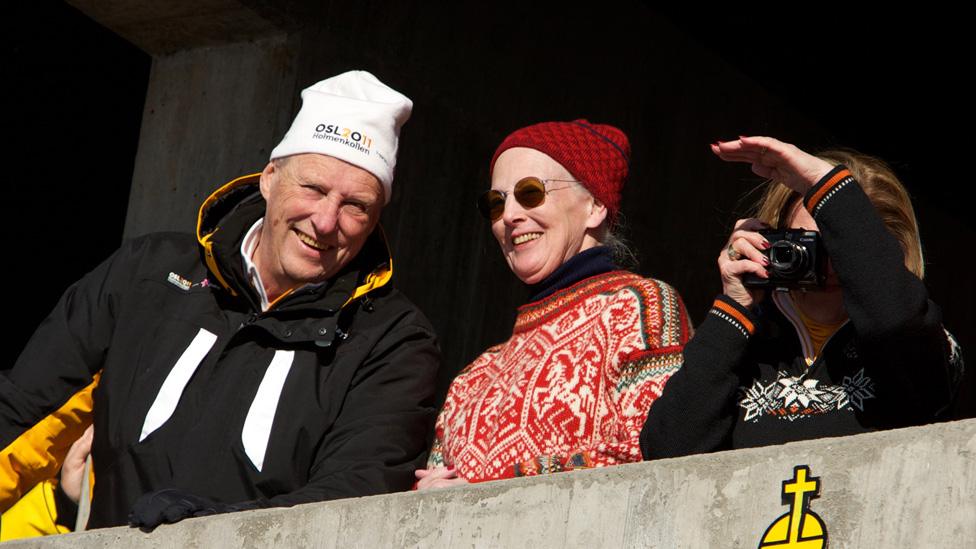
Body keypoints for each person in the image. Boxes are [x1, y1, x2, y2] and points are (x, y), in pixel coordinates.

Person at [0, 70, 440, 529]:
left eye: (357, 206)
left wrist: (208, 528)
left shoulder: (392, 340)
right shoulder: (147, 275)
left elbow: (353, 503)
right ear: (270, 178)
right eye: (313, 188)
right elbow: (23, 415)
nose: (326, 221)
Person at [641, 136, 963, 459]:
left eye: (841, 247)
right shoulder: (745, 349)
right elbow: (666, 452)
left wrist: (827, 188)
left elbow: (895, 322)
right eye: (806, 244)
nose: (824, 265)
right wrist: (734, 310)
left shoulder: (925, 345)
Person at [416, 120, 692, 489]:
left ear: (595, 206)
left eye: (530, 193)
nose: (509, 216)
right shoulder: (473, 378)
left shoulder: (637, 307)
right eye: (496, 203)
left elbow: (655, 455)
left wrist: (482, 493)